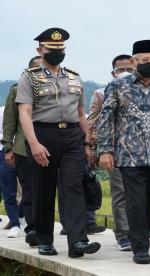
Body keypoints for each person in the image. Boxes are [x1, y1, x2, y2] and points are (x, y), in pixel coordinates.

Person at [16, 27, 101, 258]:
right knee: (44, 188)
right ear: (40, 50)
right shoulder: (29, 77)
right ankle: (44, 239)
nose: (57, 53)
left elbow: (81, 112)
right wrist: (33, 143)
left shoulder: (74, 76)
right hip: (43, 134)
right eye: (52, 49)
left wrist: (87, 142)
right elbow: (24, 112)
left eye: (60, 49)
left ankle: (78, 242)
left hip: (72, 136)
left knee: (74, 187)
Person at [98, 39, 150, 264]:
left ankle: (141, 229)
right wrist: (105, 150)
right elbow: (105, 120)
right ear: (134, 61)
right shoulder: (117, 86)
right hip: (128, 155)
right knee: (135, 201)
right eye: (145, 60)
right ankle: (140, 247)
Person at [87, 54, 134, 251]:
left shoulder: (147, 91)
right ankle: (123, 234)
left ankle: (141, 228)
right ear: (113, 72)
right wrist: (93, 147)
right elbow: (92, 123)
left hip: (141, 151)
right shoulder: (100, 93)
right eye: (120, 69)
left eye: (130, 69)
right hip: (113, 150)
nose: (125, 73)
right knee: (121, 190)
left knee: (142, 192)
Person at [2, 56, 42, 243]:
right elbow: (10, 121)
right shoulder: (17, 90)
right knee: (28, 189)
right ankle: (33, 228)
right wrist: (8, 147)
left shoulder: (58, 88)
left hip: (53, 146)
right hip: (22, 149)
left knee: (49, 188)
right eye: (36, 67)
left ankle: (47, 225)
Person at [0, 106, 21, 238]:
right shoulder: (3, 111)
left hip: (25, 151)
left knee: (31, 188)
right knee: (9, 192)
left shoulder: (31, 109)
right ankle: (15, 224)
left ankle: (21, 216)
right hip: (4, 152)